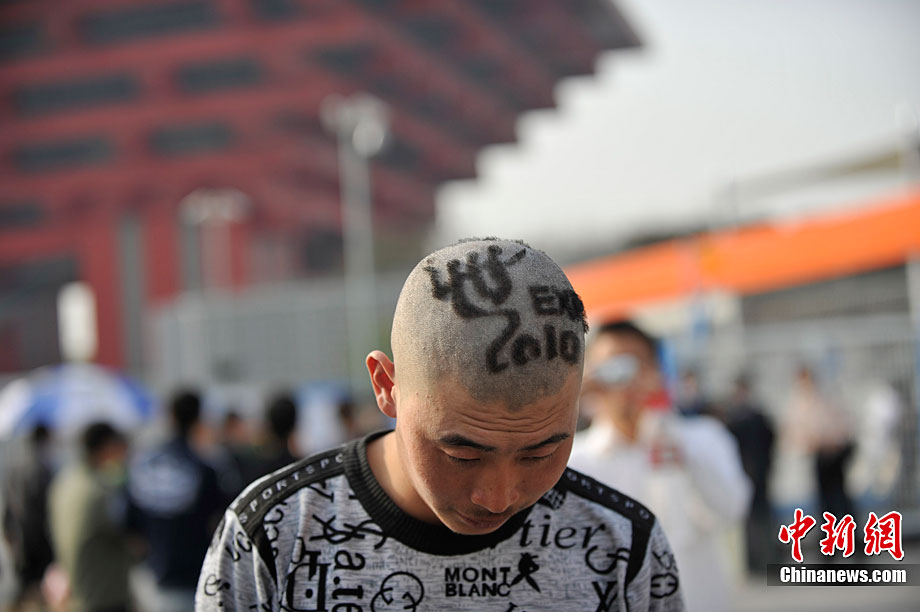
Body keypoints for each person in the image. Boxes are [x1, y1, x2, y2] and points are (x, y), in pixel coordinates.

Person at [197, 238, 685, 611]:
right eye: (462, 455)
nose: (498, 496)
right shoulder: (274, 537)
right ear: (387, 385)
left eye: (539, 453)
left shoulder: (621, 546)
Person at [569, 320, 749, 612]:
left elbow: (733, 508)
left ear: (655, 369)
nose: (625, 382)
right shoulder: (574, 461)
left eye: (635, 365)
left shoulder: (702, 438)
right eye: (611, 368)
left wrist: (677, 444)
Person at [129, 389, 224, 612]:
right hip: (195, 578)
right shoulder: (204, 469)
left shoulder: (143, 465)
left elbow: (127, 520)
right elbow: (218, 522)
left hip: (153, 577)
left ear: (169, 416)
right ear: (198, 419)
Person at [48, 422, 133, 612]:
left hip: (75, 593)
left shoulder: (64, 482)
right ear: (108, 447)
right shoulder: (98, 492)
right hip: (104, 595)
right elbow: (128, 539)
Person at [783, 365, 855, 520]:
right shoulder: (799, 402)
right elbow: (795, 431)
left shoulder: (823, 396)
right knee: (827, 499)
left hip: (835, 452)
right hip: (820, 453)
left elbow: (839, 422)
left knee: (840, 495)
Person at [722, 374, 775, 574]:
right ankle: (753, 562)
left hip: (759, 475)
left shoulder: (757, 417)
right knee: (746, 521)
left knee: (762, 519)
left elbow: (770, 441)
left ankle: (767, 560)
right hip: (743, 475)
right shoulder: (732, 419)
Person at [2, 424, 56, 608]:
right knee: (39, 593)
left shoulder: (14, 467)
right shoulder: (40, 469)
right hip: (38, 544)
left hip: (19, 541)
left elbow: (8, 508)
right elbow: (44, 512)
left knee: (23, 590)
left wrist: (9, 535)